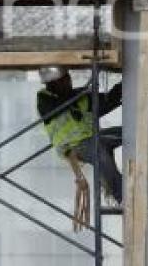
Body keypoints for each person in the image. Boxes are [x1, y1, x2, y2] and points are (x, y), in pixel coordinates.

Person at [36, 66, 123, 204]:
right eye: (63, 80)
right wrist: (81, 92)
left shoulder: (79, 97)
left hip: (93, 139)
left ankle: (124, 185)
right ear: (51, 84)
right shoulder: (44, 98)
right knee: (100, 153)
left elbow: (108, 102)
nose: (68, 82)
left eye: (68, 79)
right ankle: (122, 196)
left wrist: (123, 86)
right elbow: (58, 106)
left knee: (126, 133)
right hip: (73, 147)